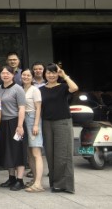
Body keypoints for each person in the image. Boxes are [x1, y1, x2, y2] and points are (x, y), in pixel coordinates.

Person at [41, 63, 78, 194]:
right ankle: (55, 183)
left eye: (54, 72)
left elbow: (74, 88)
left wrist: (64, 75)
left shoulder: (63, 87)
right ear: (45, 74)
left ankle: (65, 185)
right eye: (48, 72)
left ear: (58, 74)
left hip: (62, 122)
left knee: (63, 154)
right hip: (46, 123)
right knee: (50, 154)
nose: (51, 75)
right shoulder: (41, 89)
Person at [0, 66, 27, 191]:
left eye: (8, 73)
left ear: (13, 75)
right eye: (3, 73)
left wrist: (20, 126)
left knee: (18, 151)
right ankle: (11, 178)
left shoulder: (18, 89)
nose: (5, 75)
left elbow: (22, 108)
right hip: (3, 123)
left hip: (15, 122)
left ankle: (20, 180)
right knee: (7, 151)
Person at [21, 68, 44, 193]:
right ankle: (35, 179)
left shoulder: (35, 90)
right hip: (23, 119)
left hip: (32, 119)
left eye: (28, 75)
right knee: (29, 153)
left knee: (36, 152)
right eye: (23, 75)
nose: (25, 77)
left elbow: (38, 108)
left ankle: (39, 184)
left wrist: (36, 125)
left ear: (32, 77)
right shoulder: (21, 89)